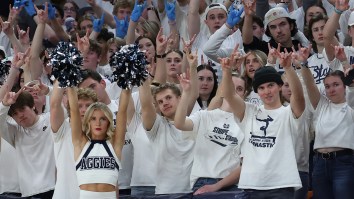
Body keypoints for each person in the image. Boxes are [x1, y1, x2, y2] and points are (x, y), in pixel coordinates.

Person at [195, 48, 305, 198]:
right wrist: (227, 71)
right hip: (250, 186)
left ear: (280, 87)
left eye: (271, 85)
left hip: (281, 185)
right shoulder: (250, 111)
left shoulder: (288, 112)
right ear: (257, 92)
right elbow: (229, 94)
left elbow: (298, 97)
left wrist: (288, 68)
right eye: (261, 88)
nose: (266, 91)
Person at [174, 60, 245, 193]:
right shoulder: (205, 116)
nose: (234, 92)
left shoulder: (246, 122)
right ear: (223, 89)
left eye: (239, 89)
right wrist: (186, 93)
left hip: (231, 185)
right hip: (202, 181)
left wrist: (217, 186)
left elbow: (245, 166)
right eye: (231, 86)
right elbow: (179, 124)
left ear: (245, 94)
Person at [301, 48, 354, 198]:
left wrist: (344, 61)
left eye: (336, 84)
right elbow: (310, 84)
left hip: (344, 162)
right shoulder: (322, 105)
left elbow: (351, 82)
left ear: (344, 87)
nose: (331, 89)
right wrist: (304, 64)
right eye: (327, 86)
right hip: (319, 164)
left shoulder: (351, 105)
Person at [67, 83, 131, 198]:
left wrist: (127, 84)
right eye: (93, 119)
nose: (98, 123)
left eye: (103, 119)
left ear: (109, 122)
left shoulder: (115, 144)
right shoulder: (80, 143)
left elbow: (122, 111)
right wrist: (69, 84)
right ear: (88, 121)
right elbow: (74, 110)